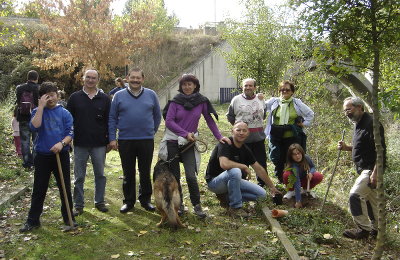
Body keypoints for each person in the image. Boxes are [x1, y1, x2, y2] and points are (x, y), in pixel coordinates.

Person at [162, 73, 231, 218]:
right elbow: (169, 122)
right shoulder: (175, 102)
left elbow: (209, 120)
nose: (187, 87)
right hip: (173, 141)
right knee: (174, 176)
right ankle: (178, 204)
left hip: (189, 143)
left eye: (190, 84)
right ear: (181, 86)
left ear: (195, 86)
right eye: (184, 84)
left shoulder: (202, 102)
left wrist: (219, 137)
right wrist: (185, 133)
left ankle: (197, 205)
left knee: (190, 176)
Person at [19, 82, 75, 232]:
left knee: (65, 188)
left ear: (57, 95)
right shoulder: (37, 111)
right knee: (39, 189)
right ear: (41, 98)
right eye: (47, 96)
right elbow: (34, 127)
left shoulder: (65, 113)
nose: (51, 98)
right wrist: (41, 107)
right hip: (42, 156)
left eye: (53, 94)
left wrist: (61, 144)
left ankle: (69, 218)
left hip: (60, 155)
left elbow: (70, 133)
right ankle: (33, 221)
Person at [109, 68, 161, 213]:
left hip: (146, 140)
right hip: (126, 140)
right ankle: (129, 201)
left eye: (138, 78)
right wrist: (112, 138)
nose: (135, 80)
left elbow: (157, 116)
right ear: (127, 78)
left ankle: (145, 200)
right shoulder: (118, 96)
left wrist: (152, 131)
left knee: (145, 172)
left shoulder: (151, 95)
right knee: (128, 172)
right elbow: (112, 118)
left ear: (143, 79)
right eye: (133, 77)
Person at [205, 121, 280, 217]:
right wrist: (243, 166)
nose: (241, 133)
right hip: (215, 183)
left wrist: (272, 187)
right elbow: (224, 164)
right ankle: (235, 208)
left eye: (244, 131)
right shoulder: (225, 143)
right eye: (238, 130)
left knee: (262, 195)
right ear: (232, 131)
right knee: (235, 171)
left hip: (232, 181)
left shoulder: (245, 149)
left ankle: (227, 198)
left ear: (248, 133)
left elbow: (259, 169)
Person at [338, 97, 386, 240]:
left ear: (359, 107)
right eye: (345, 110)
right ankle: (378, 230)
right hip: (365, 169)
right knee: (371, 201)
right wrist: (347, 148)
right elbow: (363, 147)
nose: (347, 113)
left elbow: (380, 150)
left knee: (356, 195)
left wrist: (375, 173)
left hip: (371, 169)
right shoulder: (358, 123)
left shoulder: (372, 123)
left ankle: (363, 229)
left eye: (349, 109)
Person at [67, 69, 111, 216]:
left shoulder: (105, 99)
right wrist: (68, 139)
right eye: (88, 77)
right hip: (79, 143)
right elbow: (68, 121)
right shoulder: (74, 98)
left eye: (94, 78)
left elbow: (109, 121)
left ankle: (99, 201)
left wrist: (110, 140)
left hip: (99, 144)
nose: (91, 80)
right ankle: (78, 204)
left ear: (98, 80)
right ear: (83, 79)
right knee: (79, 176)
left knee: (100, 174)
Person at [264, 80, 314, 183]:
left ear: (292, 92)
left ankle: (292, 180)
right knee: (276, 157)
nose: (284, 91)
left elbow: (310, 114)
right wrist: (259, 98)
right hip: (276, 135)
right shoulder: (274, 101)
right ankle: (280, 179)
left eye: (287, 90)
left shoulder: (296, 102)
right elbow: (262, 106)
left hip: (292, 136)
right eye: (282, 89)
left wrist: (304, 124)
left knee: (291, 157)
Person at [227, 78, 267, 187]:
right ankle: (243, 183)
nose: (248, 88)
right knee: (242, 164)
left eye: (250, 86)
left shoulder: (260, 99)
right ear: (242, 87)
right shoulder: (236, 100)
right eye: (246, 86)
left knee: (261, 162)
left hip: (258, 137)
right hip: (241, 140)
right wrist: (240, 130)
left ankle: (262, 183)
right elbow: (230, 116)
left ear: (255, 87)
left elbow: (264, 115)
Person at [282, 143, 323, 208]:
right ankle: (291, 191)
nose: (297, 156)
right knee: (286, 175)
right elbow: (297, 182)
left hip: (304, 178)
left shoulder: (306, 157)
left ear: (302, 152)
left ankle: (305, 190)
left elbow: (312, 167)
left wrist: (311, 173)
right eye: (294, 154)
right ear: (291, 156)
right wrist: (298, 201)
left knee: (318, 176)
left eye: (299, 153)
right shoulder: (293, 166)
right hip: (294, 180)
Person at [15, 70, 40, 169]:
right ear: (36, 78)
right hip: (36, 118)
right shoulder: (38, 89)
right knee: (36, 140)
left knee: (25, 141)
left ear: (27, 77)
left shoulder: (19, 88)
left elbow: (18, 102)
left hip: (23, 117)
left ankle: (27, 163)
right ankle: (35, 161)